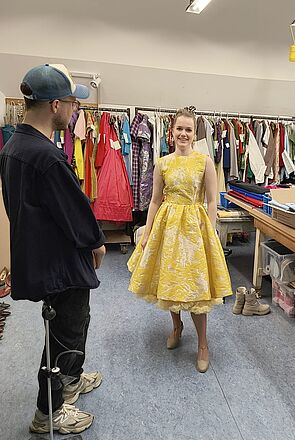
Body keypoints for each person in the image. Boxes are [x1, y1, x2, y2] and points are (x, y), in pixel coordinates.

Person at [0, 64, 106, 435]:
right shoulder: (46, 156)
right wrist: (96, 244)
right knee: (65, 333)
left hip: (41, 257)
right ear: (56, 105)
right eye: (73, 103)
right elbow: (75, 213)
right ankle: (49, 411)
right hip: (60, 265)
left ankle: (72, 380)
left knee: (71, 326)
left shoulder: (15, 145)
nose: (77, 110)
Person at [128, 107, 232, 373]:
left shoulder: (204, 161)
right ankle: (176, 326)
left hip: (194, 228)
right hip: (168, 227)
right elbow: (153, 201)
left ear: (193, 132)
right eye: (179, 128)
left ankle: (202, 344)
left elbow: (211, 200)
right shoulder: (162, 162)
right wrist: (147, 231)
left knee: (196, 288)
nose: (183, 133)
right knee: (169, 280)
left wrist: (209, 233)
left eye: (188, 129)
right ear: (171, 131)